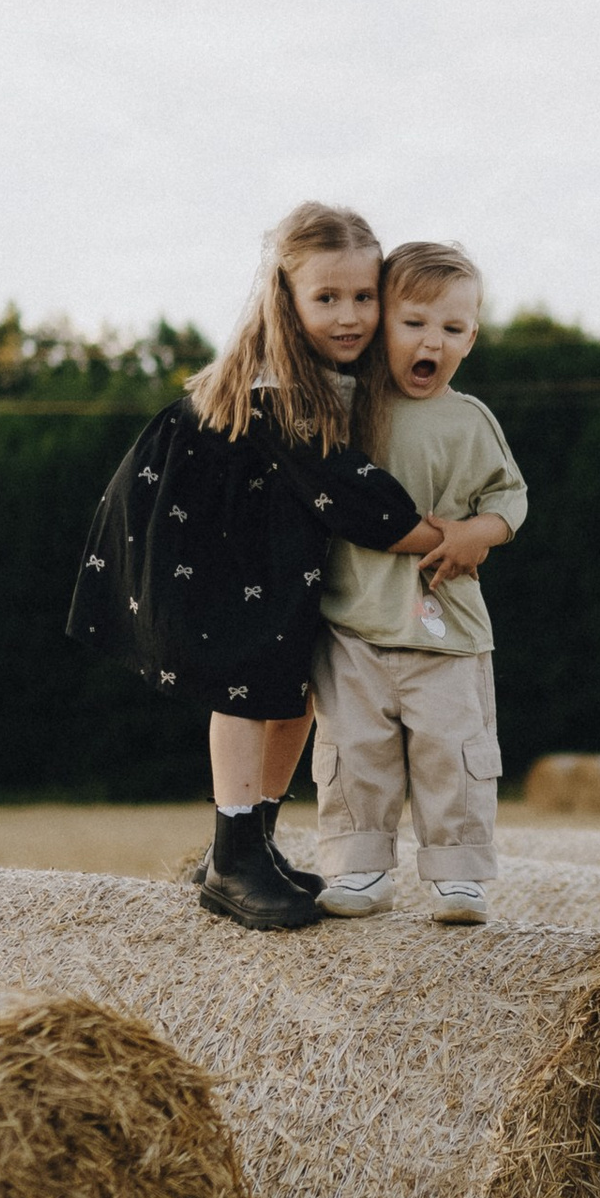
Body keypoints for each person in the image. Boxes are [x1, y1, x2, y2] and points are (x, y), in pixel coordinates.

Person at [66, 202, 443, 933]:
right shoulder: (277, 387)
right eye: (326, 297)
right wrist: (445, 537)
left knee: (295, 683)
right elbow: (347, 491)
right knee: (241, 680)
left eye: (363, 297)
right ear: (286, 298)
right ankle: (231, 857)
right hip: (203, 538)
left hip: (269, 543)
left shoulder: (338, 374)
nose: (349, 315)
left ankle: (254, 841)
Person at [311, 241, 526, 925]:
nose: (433, 341)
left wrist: (475, 534)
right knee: (354, 753)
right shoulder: (344, 407)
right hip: (354, 623)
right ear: (382, 325)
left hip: (446, 629)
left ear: (472, 338)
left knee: (453, 757)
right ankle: (360, 870)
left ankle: (459, 877)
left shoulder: (471, 419)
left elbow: (510, 499)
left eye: (453, 328)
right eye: (414, 323)